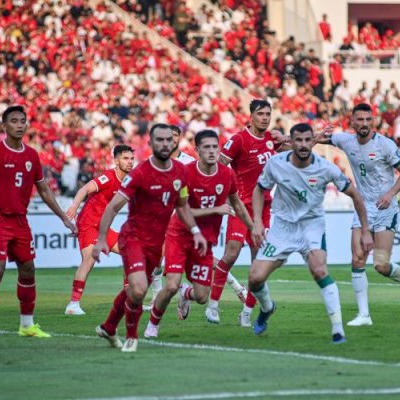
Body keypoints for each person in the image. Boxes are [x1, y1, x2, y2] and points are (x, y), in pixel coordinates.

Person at [248, 123, 374, 344]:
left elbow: (355, 195)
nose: (304, 145)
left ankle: (338, 331)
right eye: (299, 140)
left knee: (319, 271)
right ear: (291, 141)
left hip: (311, 226)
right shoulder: (276, 164)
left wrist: (365, 231)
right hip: (283, 227)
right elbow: (259, 189)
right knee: (255, 278)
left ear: (312, 141)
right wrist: (257, 222)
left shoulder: (326, 168)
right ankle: (267, 308)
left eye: (308, 140)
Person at [92, 124, 206, 352]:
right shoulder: (140, 173)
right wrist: (101, 238)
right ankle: (132, 338)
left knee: (135, 289)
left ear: (174, 142)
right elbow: (113, 206)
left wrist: (195, 231)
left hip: (156, 244)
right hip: (133, 238)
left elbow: (182, 207)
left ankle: (108, 327)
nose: (165, 144)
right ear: (151, 144)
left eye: (168, 140)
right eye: (160, 140)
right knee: (139, 289)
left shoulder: (180, 173)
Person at [0, 106, 77, 342]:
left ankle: (26, 325)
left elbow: (45, 190)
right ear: (4, 126)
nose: (19, 125)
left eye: (22, 121)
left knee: (28, 269)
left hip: (20, 221)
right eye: (14, 121)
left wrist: (63, 218)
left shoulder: (31, 155)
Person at [316, 103, 400, 327]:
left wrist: (390, 193)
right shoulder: (345, 140)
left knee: (381, 266)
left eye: (368, 120)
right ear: (352, 122)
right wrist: (315, 136)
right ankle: (364, 315)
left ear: (372, 121)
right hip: (363, 208)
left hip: (385, 208)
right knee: (357, 259)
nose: (364, 124)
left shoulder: (385, 144)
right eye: (360, 120)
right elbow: (318, 140)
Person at [143, 130, 257, 338]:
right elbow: (182, 210)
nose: (212, 151)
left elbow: (238, 206)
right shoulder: (186, 174)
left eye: (215, 146)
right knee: (171, 285)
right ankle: (153, 325)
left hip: (204, 243)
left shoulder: (227, 174)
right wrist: (215, 210)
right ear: (197, 151)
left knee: (203, 297)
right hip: (180, 235)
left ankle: (186, 294)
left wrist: (253, 228)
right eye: (207, 147)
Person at [206, 99, 288, 326]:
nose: (265, 117)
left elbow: (299, 144)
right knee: (231, 254)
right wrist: (221, 194)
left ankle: (247, 313)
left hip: (263, 209)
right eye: (260, 114)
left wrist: (320, 137)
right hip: (240, 207)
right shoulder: (239, 140)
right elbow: (220, 165)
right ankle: (213, 305)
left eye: (267, 114)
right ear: (251, 116)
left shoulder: (272, 139)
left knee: (258, 264)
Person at [63, 145, 135, 315]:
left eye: (132, 158)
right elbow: (84, 189)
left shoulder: (129, 182)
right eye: (125, 158)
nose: (130, 162)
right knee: (89, 260)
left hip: (103, 227)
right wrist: (74, 206)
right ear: (116, 161)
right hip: (88, 224)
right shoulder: (109, 177)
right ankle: (73, 305)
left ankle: (130, 300)